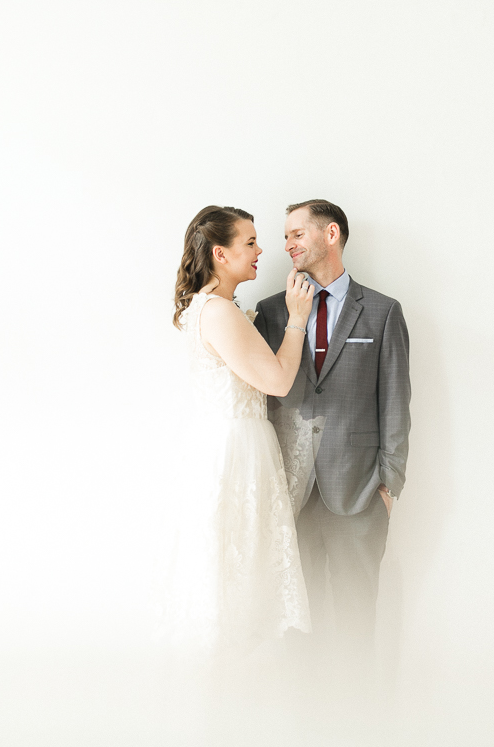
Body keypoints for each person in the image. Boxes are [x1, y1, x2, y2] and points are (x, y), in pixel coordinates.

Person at [253, 199, 411, 656]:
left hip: (359, 492)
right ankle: (302, 718)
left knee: (356, 616)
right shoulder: (272, 312)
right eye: (285, 237)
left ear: (331, 234)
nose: (287, 245)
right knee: (297, 620)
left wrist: (389, 485)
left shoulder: (383, 312)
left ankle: (357, 718)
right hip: (290, 495)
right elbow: (262, 400)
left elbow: (396, 402)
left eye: (296, 234)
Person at [169, 204, 316, 651]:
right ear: (220, 253)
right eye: (250, 242)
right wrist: (296, 320)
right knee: (237, 563)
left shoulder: (214, 308)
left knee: (237, 562)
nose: (260, 251)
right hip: (235, 450)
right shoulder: (217, 311)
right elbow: (277, 380)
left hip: (232, 444)